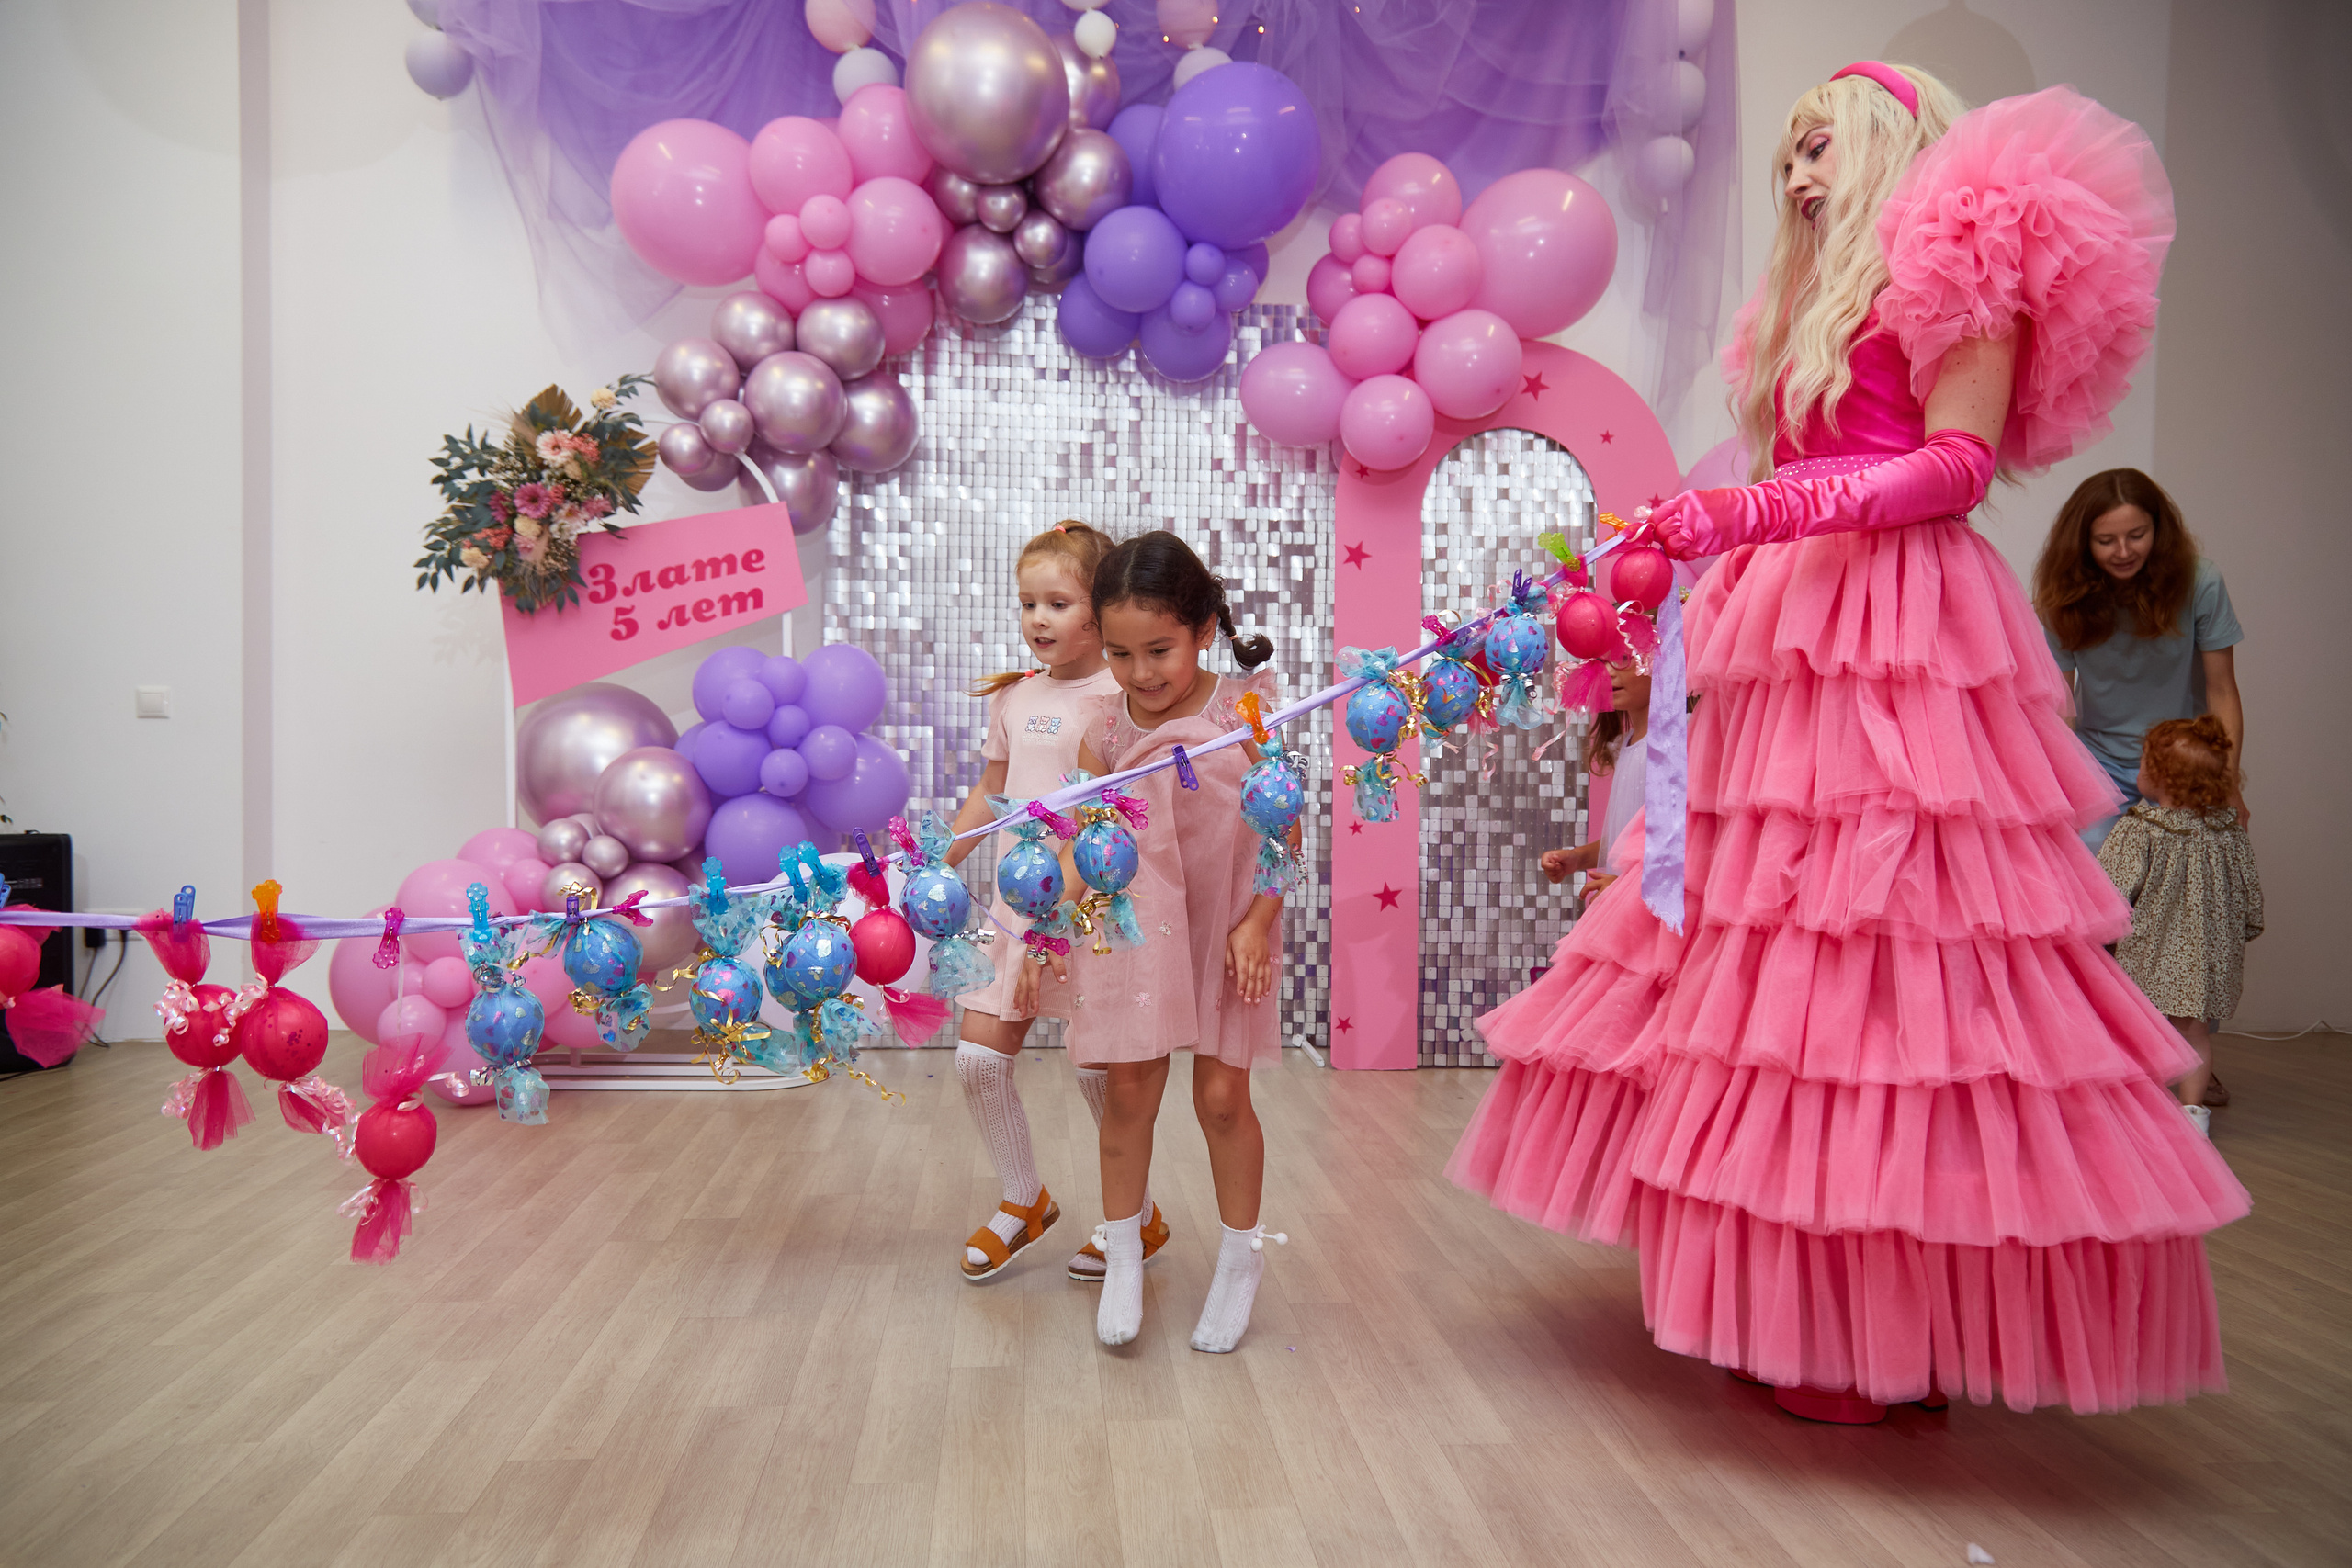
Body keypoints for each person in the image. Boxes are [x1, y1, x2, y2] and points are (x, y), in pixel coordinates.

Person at [1447, 62, 2248, 1422]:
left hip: (1898, 621)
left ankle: (1887, 1323)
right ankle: (1810, 1306)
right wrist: (1712, 526)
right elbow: (1796, 473)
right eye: (1791, 156)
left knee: (1891, 954)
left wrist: (1753, 515)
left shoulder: (1962, 272)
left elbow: (1957, 467)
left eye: (1822, 148)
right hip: (1791, 614)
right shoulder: (1803, 306)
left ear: (1890, 147)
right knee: (1772, 944)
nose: (1800, 174)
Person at [1020, 530, 1287, 1351]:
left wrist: (1258, 920)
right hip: (1136, 929)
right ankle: (1124, 1254)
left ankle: (1240, 1260)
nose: (1141, 673)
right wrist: (1044, 927)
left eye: (1159, 650)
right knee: (1129, 1093)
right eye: (1121, 653)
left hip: (1228, 925)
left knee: (1222, 1098)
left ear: (1203, 628)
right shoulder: (1103, 730)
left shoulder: (1244, 711)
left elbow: (1284, 831)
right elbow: (1081, 843)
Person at [944, 521, 1173, 1284]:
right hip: (1018, 904)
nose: (1038, 619)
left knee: (1098, 1069)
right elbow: (991, 790)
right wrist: (939, 861)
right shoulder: (1014, 696)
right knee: (978, 1058)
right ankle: (1024, 1198)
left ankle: (1137, 1216)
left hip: (1093, 908)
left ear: (1100, 609)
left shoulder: (1122, 697)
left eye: (1058, 602)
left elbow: (1123, 810)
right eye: (1028, 603)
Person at [2033, 468, 2247, 846]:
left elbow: (2222, 690)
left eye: (2137, 535)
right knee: (2091, 862)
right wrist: (2061, 788)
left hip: (2185, 760)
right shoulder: (2061, 600)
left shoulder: (2201, 583)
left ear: (2158, 531)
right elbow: (2060, 710)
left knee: (2190, 872)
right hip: (2099, 762)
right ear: (2083, 543)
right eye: (2106, 540)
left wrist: (2227, 783)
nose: (2123, 551)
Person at [2097, 716, 2264, 1137]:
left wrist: (2096, 933)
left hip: (2150, 953)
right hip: (2208, 957)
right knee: (2195, 1034)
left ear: (2160, 777)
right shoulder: (2229, 832)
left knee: (2139, 1030)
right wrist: (2240, 933)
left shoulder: (2141, 828)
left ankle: (2139, 1111)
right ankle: (2193, 1115)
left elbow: (2110, 891)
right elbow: (2249, 895)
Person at [1540, 660, 1652, 903]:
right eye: (1601, 662)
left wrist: (1630, 885)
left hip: (1648, 901)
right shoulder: (1625, 744)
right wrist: (1577, 858)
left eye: (1624, 659)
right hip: (1623, 899)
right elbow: (1625, 840)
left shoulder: (1675, 744)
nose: (1608, 672)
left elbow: (1684, 842)